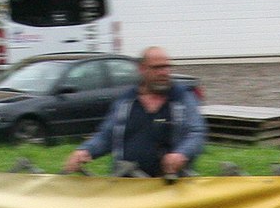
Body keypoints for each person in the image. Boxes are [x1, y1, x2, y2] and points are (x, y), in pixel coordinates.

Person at [62, 47, 206, 177]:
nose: (164, 72)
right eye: (157, 68)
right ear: (142, 69)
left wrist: (182, 154)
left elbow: (196, 133)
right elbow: (107, 136)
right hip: (128, 186)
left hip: (170, 185)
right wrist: (85, 151)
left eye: (167, 67)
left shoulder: (182, 98)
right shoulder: (125, 102)